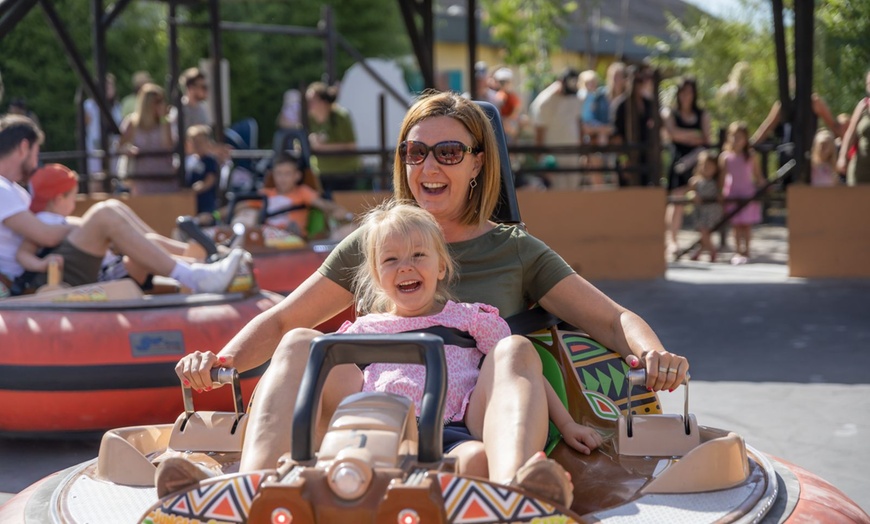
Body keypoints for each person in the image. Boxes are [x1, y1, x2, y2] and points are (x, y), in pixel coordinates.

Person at [168, 91, 689, 500]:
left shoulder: (515, 250)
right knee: (304, 339)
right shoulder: (373, 240)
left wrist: (652, 355)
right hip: (372, 416)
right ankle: (253, 489)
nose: (429, 166)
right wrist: (222, 362)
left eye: (448, 152)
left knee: (513, 349)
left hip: (466, 419)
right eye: (416, 152)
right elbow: (284, 322)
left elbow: (611, 319)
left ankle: (514, 495)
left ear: (477, 163)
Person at [336, 201, 602, 491]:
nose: (406, 267)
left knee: (479, 449)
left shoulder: (468, 319)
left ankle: (510, 491)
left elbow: (521, 372)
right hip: (385, 437)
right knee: (321, 355)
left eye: (418, 255)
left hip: (454, 431)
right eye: (390, 260)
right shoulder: (365, 329)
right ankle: (296, 469)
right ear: (376, 275)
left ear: (441, 267)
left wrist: (566, 424)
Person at [0, 115, 244, 296]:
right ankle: (195, 275)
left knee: (113, 210)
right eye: (35, 152)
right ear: (24, 146)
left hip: (52, 260)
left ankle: (200, 263)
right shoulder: (1, 188)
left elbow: (47, 228)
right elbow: (43, 234)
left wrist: (84, 227)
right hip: (35, 275)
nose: (36, 160)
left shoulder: (12, 189)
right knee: (104, 215)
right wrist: (85, 227)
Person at [662, 76, 711, 254]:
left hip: (698, 162)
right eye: (683, 92)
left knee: (704, 199)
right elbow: (672, 133)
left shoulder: (702, 114)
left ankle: (706, 242)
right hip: (679, 161)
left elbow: (706, 138)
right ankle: (671, 240)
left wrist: (684, 135)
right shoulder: (670, 113)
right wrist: (694, 135)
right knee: (677, 200)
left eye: (689, 92)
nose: (686, 96)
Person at [259, 150, 353, 238]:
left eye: (287, 174)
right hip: (267, 237)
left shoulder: (302, 192)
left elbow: (324, 205)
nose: (282, 179)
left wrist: (337, 210)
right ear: (273, 175)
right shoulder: (265, 193)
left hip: (292, 238)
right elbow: (246, 207)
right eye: (279, 173)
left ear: (297, 175)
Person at [529, 68, 584, 190]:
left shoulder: (575, 97)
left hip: (572, 154)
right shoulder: (545, 101)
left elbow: (578, 123)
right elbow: (539, 130)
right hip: (554, 157)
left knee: (574, 189)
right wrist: (541, 159)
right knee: (557, 192)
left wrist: (582, 150)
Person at [118, 83, 177, 195]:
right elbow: (119, 146)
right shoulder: (132, 123)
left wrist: (164, 119)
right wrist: (129, 150)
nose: (162, 104)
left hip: (164, 175)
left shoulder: (165, 122)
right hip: (141, 177)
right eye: (158, 101)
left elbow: (168, 146)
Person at [720, 121, 764, 265]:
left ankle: (747, 251)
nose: (736, 140)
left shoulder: (751, 156)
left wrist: (764, 186)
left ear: (746, 139)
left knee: (746, 225)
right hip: (732, 193)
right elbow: (722, 177)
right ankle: (738, 251)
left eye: (740, 136)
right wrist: (720, 194)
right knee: (736, 225)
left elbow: (758, 176)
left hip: (747, 193)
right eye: (733, 136)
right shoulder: (725, 157)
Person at [305, 82, 362, 194]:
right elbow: (298, 145)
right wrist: (310, 141)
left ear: (324, 101)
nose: (309, 104)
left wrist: (322, 147)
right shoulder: (306, 119)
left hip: (344, 173)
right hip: (318, 174)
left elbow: (351, 145)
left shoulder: (341, 116)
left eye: (312, 100)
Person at [611, 65, 656, 186]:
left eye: (640, 81)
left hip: (645, 158)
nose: (637, 85)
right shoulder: (620, 105)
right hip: (628, 159)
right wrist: (624, 161)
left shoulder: (649, 104)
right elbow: (616, 137)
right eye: (634, 81)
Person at [84, 73, 123, 176]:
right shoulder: (89, 106)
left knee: (113, 177)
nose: (109, 89)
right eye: (106, 86)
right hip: (95, 148)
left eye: (111, 86)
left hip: (113, 148)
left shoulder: (117, 107)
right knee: (96, 177)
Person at [686, 150, 722, 262]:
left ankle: (712, 251)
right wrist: (693, 195)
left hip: (711, 211)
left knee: (704, 231)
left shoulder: (716, 182)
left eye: (710, 166)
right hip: (700, 211)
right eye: (704, 165)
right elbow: (689, 193)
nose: (707, 168)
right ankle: (698, 252)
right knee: (704, 233)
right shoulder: (695, 181)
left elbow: (720, 195)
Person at [836, 69, 870, 185]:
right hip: (860, 169)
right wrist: (842, 157)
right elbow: (850, 133)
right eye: (868, 83)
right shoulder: (863, 106)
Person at [184, 125, 219, 218]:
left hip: (205, 201)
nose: (197, 145)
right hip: (190, 201)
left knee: (205, 218)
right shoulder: (189, 161)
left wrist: (197, 189)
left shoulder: (209, 160)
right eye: (194, 142)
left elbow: (210, 179)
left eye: (200, 142)